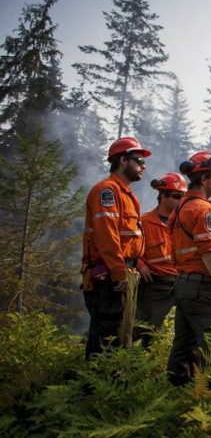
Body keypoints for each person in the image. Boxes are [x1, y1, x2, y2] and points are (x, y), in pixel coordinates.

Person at [81, 137, 150, 358]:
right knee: (106, 338)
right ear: (123, 160)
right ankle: (93, 390)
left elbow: (129, 238)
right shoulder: (107, 191)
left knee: (121, 336)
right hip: (109, 275)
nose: (143, 166)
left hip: (123, 271)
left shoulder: (127, 195)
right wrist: (119, 272)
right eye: (139, 160)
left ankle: (113, 387)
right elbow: (107, 236)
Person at [166, 151, 211, 386]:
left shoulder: (180, 207)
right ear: (204, 179)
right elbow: (208, 252)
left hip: (183, 284)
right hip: (201, 287)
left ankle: (174, 395)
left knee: (183, 346)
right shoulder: (203, 210)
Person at [134, 172, 187, 347]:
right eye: (177, 196)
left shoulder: (185, 222)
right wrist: (140, 264)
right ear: (163, 195)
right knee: (147, 329)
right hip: (155, 285)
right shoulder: (145, 222)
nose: (181, 200)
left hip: (182, 282)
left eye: (183, 197)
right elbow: (131, 249)